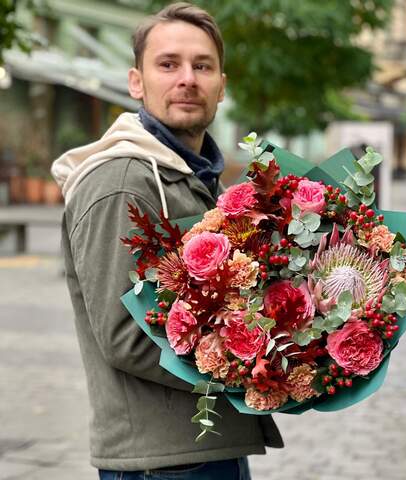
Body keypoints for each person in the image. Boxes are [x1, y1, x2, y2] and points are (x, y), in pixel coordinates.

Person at [51, 2, 283, 479]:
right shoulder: (122, 182)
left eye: (203, 66)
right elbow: (123, 335)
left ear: (222, 85)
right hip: (162, 461)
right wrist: (255, 363)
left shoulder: (194, 177)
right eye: (168, 64)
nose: (188, 78)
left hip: (206, 444)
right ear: (137, 82)